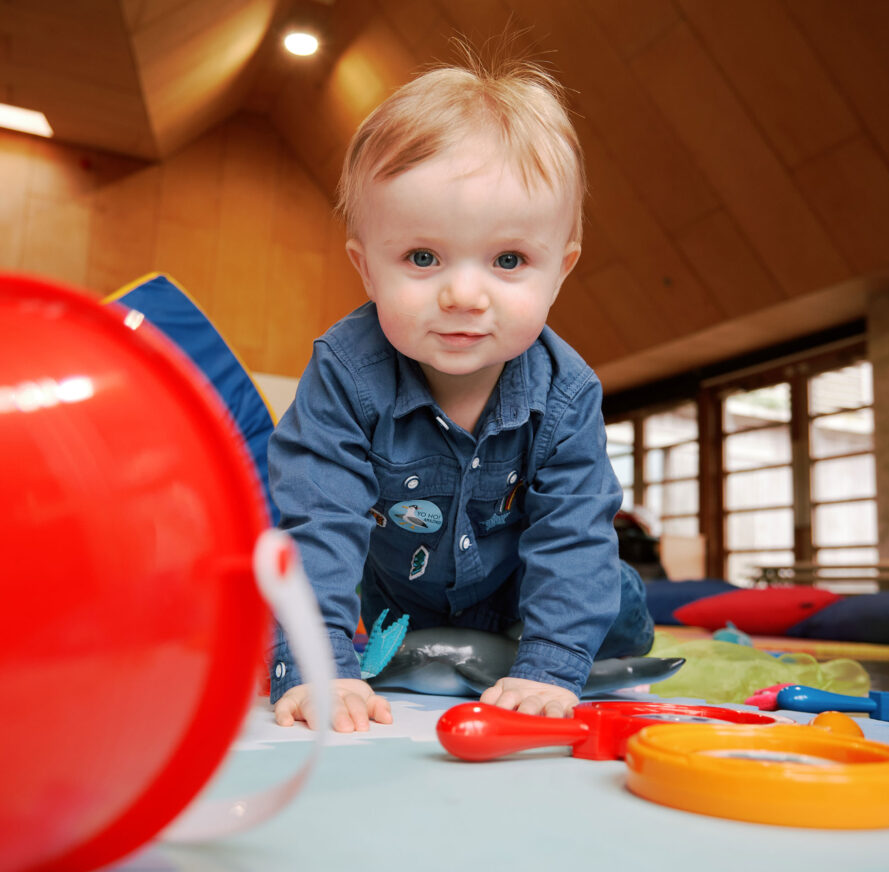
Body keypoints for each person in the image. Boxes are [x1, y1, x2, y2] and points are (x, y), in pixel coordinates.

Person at [267, 51, 654, 732]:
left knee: (606, 600)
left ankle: (582, 627)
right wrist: (318, 664)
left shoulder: (568, 393)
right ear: (367, 268)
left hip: (524, 590)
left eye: (509, 261)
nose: (464, 295)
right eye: (422, 258)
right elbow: (317, 520)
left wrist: (550, 667)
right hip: (402, 599)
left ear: (559, 272)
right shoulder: (344, 373)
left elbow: (569, 533)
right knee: (325, 616)